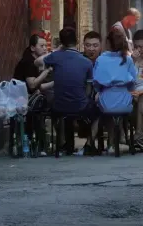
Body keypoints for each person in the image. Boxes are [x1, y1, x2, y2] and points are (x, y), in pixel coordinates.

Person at [34, 27, 99, 155]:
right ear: (77, 41)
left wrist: (57, 50)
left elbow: (37, 62)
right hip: (79, 105)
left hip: (59, 106)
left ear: (62, 43)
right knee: (97, 111)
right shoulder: (86, 62)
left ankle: (66, 145)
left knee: (63, 111)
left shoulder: (56, 57)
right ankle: (89, 144)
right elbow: (88, 88)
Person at [93, 30, 137, 153]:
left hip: (106, 100)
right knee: (128, 106)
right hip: (124, 100)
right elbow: (133, 82)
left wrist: (100, 92)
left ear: (108, 43)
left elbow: (96, 82)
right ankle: (127, 138)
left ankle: (110, 143)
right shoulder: (127, 60)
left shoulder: (101, 59)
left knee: (105, 110)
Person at [13, 34, 54, 156]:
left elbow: (38, 87)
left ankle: (41, 144)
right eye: (41, 46)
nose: (45, 49)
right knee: (43, 107)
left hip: (29, 98)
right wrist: (46, 72)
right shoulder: (28, 62)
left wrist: (55, 83)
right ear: (32, 48)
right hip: (23, 100)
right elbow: (32, 85)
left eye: (46, 46)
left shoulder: (34, 62)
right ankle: (39, 144)